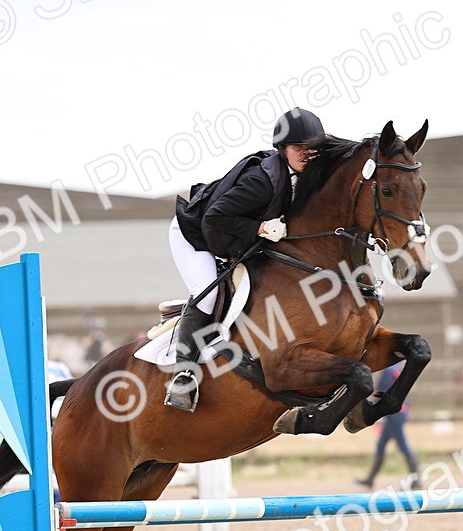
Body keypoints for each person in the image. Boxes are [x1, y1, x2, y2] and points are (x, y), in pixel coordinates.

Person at [163, 107, 326, 412]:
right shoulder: (261, 181)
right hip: (195, 233)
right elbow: (215, 218)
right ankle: (183, 375)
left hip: (233, 234)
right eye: (298, 148)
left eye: (312, 148)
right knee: (209, 296)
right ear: (283, 149)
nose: (306, 153)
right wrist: (260, 228)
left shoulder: (305, 174)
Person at [356, 363, 420, 489]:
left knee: (403, 445)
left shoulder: (389, 370)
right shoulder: (402, 369)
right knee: (381, 444)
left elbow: (381, 390)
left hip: (393, 413)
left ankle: (416, 480)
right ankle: (370, 479)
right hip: (401, 410)